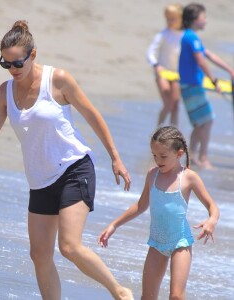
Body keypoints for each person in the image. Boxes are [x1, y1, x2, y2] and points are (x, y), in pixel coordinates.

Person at [0, 20, 134, 300]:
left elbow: (92, 115)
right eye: (6, 64)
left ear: (33, 55)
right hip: (40, 179)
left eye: (18, 63)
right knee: (39, 254)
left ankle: (119, 292)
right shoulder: (5, 93)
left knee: (69, 246)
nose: (13, 70)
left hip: (74, 167)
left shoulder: (57, 80)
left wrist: (115, 158)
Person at [98, 126, 219, 300]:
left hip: (180, 242)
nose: (157, 160)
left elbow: (212, 206)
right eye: (154, 155)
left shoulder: (189, 177)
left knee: (176, 296)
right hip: (157, 243)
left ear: (179, 153)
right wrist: (113, 225)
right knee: (147, 296)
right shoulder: (152, 175)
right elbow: (140, 206)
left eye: (163, 156)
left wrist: (212, 220)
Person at [179, 3, 234, 169]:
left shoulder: (191, 36)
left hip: (191, 85)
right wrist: (214, 80)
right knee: (207, 120)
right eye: (203, 17)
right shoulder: (191, 37)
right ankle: (202, 158)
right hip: (192, 85)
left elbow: (209, 55)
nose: (206, 20)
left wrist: (229, 69)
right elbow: (201, 60)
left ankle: (193, 156)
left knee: (200, 122)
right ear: (195, 19)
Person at [147, 4, 183, 126]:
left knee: (176, 106)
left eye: (173, 19)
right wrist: (156, 65)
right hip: (163, 72)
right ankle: (158, 129)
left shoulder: (185, 35)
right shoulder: (163, 34)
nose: (169, 21)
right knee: (168, 104)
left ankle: (174, 134)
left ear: (181, 19)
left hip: (177, 74)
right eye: (167, 18)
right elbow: (150, 51)